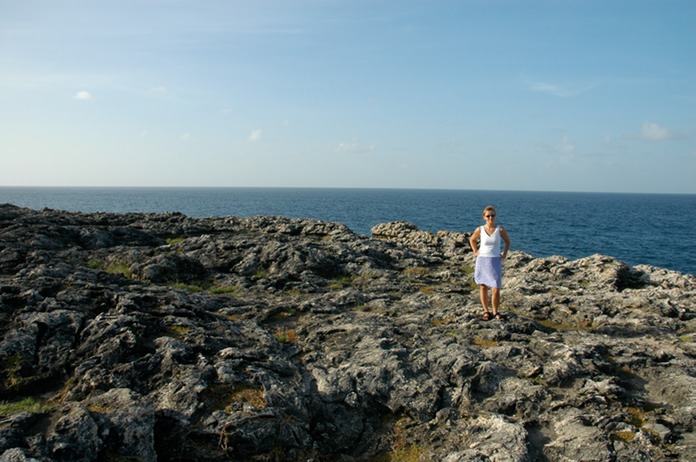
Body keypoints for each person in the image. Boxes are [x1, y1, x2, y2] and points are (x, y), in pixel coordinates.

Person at [469, 206, 510, 321]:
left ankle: (495, 311)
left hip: (495, 260)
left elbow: (507, 242)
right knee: (483, 286)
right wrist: (475, 251)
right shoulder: (480, 229)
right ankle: (486, 311)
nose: (490, 218)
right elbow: (472, 240)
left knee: (496, 287)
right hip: (482, 260)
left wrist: (504, 254)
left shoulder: (500, 229)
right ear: (484, 217)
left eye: (492, 215)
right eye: (488, 216)